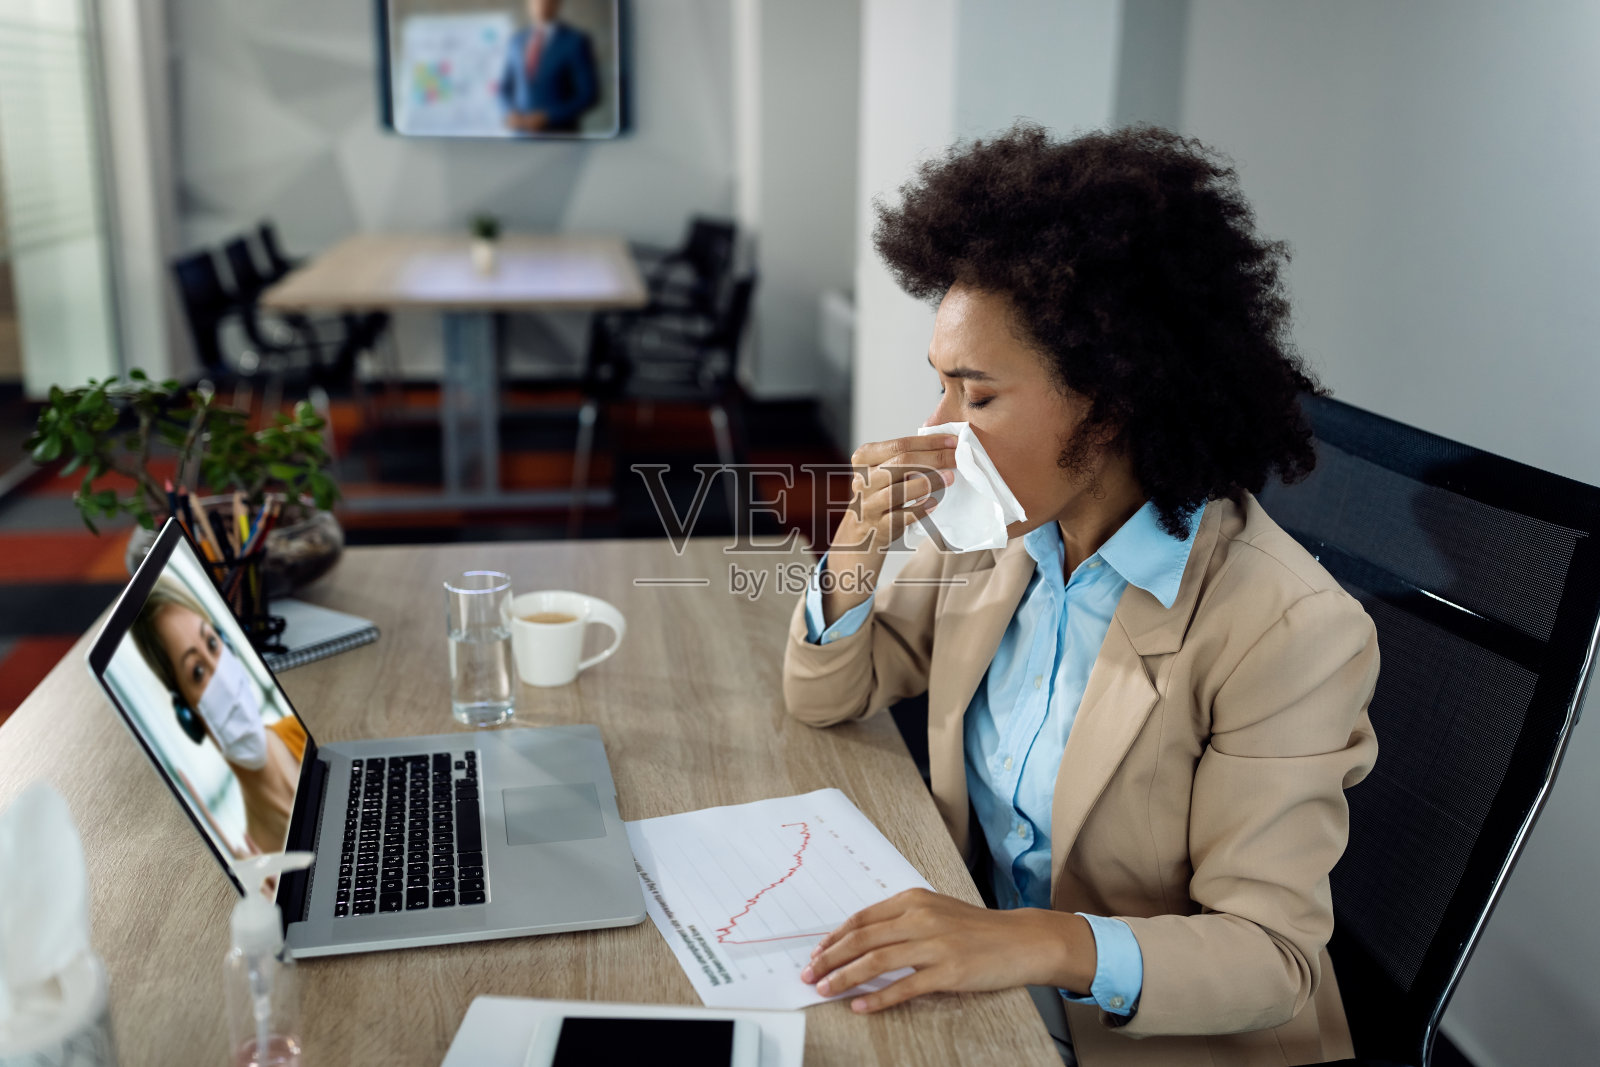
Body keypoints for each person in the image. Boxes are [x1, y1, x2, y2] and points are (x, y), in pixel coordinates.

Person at [782, 124, 1379, 1067]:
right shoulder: (1007, 534)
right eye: (940, 387)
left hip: (1152, 1042)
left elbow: (1274, 958)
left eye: (976, 398)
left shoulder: (1290, 628)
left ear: (1110, 404)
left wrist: (1031, 941)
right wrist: (859, 540)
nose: (938, 432)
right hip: (980, 992)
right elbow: (824, 694)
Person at [130, 579, 305, 858]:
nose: (221, 675)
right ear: (188, 716)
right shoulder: (260, 862)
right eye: (197, 672)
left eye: (212, 643)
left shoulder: (303, 733)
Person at [499, 0, 599, 135]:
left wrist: (548, 117)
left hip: (560, 135)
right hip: (521, 136)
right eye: (536, 2)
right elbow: (504, 87)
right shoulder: (516, 40)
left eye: (547, 1)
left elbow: (588, 95)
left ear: (557, 4)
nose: (541, 5)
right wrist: (509, 112)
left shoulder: (575, 41)